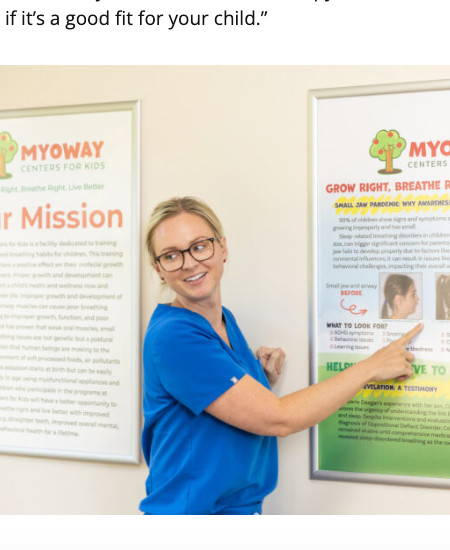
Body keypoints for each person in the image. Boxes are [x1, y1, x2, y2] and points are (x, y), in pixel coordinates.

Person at [141, 196, 422, 515]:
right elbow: (278, 418)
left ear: (222, 248)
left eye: (199, 246)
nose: (189, 262)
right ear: (159, 269)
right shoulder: (173, 335)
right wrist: (371, 367)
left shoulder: (223, 320)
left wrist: (261, 377)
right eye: (171, 255)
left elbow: (219, 402)